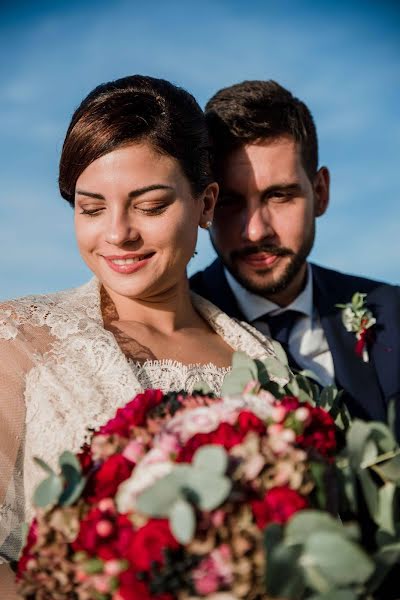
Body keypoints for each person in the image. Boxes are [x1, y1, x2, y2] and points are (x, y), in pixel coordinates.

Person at [0, 75, 287, 595]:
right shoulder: (21, 338)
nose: (117, 233)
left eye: (150, 205)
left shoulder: (262, 358)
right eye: (90, 208)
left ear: (205, 204)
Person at [191, 79, 400, 435]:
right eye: (230, 202)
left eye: (280, 196)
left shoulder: (391, 310)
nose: (255, 231)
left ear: (320, 192)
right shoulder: (176, 325)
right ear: (206, 205)